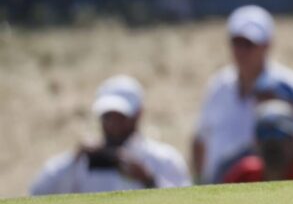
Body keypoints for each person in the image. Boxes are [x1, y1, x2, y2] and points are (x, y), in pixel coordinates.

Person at [193, 5, 293, 183]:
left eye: (249, 44)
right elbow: (200, 140)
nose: (242, 51)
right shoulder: (218, 86)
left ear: (267, 45)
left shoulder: (290, 87)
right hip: (222, 188)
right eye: (236, 43)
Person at [30, 75, 189, 195]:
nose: (113, 124)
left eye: (120, 116)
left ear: (138, 114)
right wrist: (74, 159)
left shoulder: (163, 160)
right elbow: (38, 192)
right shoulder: (86, 162)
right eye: (107, 116)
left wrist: (148, 180)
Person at [221, 101, 293, 183]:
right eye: (264, 134)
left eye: (280, 135)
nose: (272, 142)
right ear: (256, 142)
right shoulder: (243, 176)